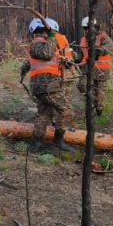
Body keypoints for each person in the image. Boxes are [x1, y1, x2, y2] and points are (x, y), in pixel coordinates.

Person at [21, 18, 75, 152]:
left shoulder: (42, 44)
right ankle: (58, 140)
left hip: (42, 85)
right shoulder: (38, 42)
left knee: (44, 114)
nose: (53, 35)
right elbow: (46, 54)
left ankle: (37, 143)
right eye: (51, 32)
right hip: (47, 84)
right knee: (66, 110)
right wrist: (51, 37)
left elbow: (29, 63)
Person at [76, 17, 113, 116]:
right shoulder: (84, 39)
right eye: (84, 28)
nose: (86, 30)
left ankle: (98, 108)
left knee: (99, 90)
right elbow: (81, 54)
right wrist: (74, 60)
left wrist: (97, 50)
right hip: (86, 68)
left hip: (101, 68)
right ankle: (90, 104)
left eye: (87, 28)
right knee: (82, 86)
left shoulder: (103, 37)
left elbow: (108, 47)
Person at [45, 18, 77, 99]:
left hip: (61, 72)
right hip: (70, 70)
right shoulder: (63, 37)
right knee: (67, 97)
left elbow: (49, 54)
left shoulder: (51, 39)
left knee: (59, 99)